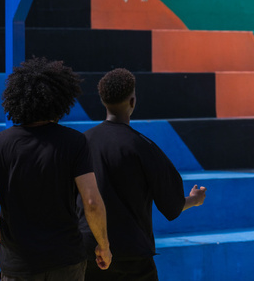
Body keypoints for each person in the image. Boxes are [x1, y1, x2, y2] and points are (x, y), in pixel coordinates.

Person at [0, 57, 112, 280]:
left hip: (18, 263)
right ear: (59, 100)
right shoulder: (74, 142)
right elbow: (92, 203)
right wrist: (103, 245)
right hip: (65, 261)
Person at [79, 68, 207, 281]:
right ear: (132, 102)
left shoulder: (81, 143)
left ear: (103, 101)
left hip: (87, 251)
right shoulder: (143, 147)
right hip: (131, 255)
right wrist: (193, 200)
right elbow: (171, 205)